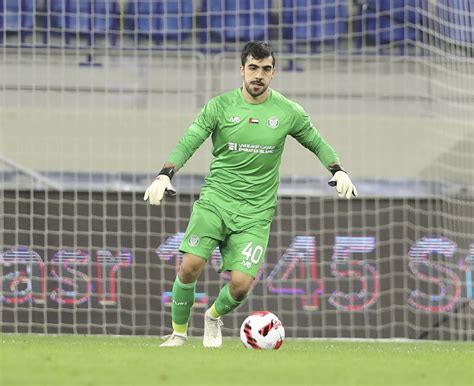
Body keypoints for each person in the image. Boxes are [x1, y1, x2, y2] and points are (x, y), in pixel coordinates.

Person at [144, 41, 357, 348]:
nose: (259, 75)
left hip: (256, 212)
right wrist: (165, 174)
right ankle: (178, 333)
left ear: (274, 72)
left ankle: (213, 317)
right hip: (216, 201)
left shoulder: (287, 112)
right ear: (242, 70)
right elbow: (190, 140)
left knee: (241, 286)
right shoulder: (220, 106)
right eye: (253, 68)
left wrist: (337, 170)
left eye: (266, 69)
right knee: (190, 265)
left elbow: (317, 142)